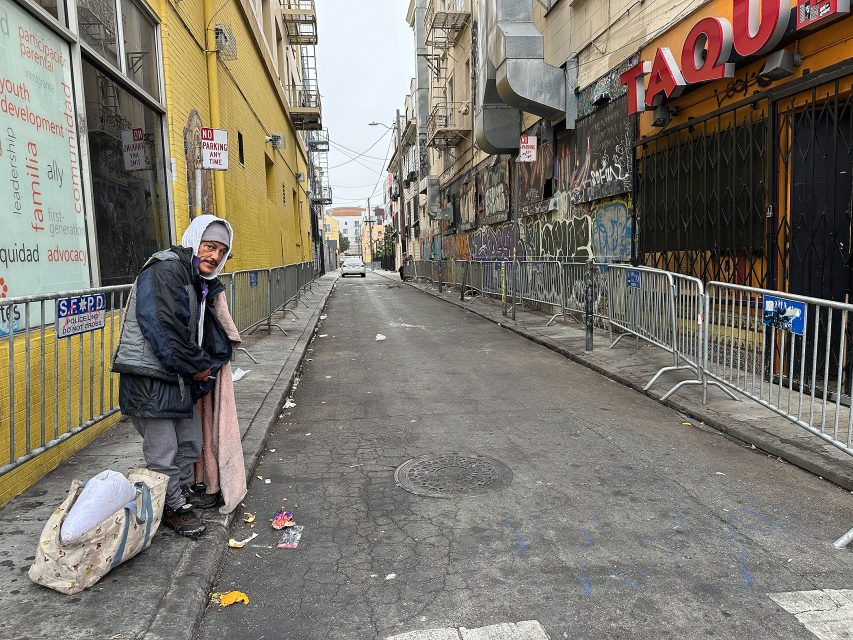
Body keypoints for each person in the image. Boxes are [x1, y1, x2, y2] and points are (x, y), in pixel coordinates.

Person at [112, 215, 235, 538]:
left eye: (222, 251)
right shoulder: (166, 270)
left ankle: (181, 493)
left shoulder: (194, 278)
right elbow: (163, 327)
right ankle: (171, 505)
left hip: (176, 376)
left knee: (189, 442)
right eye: (210, 246)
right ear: (194, 241)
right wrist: (198, 365)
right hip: (150, 378)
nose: (215, 256)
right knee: (163, 450)